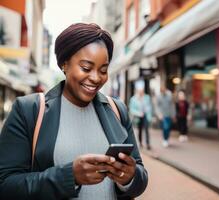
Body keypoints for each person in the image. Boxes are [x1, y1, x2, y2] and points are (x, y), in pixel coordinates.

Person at [0, 23, 148, 200]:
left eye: (103, 70)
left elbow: (140, 174)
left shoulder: (117, 110)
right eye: (86, 68)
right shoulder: (28, 110)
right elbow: (6, 185)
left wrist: (129, 177)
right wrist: (68, 177)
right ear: (64, 63)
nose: (95, 78)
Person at [129, 83, 152, 150]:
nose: (141, 92)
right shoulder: (133, 99)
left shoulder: (147, 97)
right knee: (140, 130)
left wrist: (150, 116)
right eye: (139, 91)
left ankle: (148, 144)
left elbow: (149, 107)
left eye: (142, 90)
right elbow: (131, 109)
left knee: (147, 129)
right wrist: (139, 113)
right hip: (138, 117)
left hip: (146, 115)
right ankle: (140, 142)